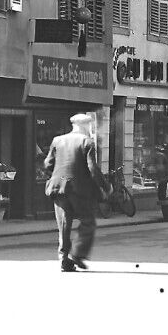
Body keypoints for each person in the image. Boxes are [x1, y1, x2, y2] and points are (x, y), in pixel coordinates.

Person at [43, 113, 108, 271]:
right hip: (79, 190)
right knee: (88, 222)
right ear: (85, 126)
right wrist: (105, 187)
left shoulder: (57, 140)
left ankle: (64, 259)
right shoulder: (87, 141)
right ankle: (77, 255)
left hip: (59, 188)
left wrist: (59, 175)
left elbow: (47, 164)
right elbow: (92, 169)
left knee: (64, 225)